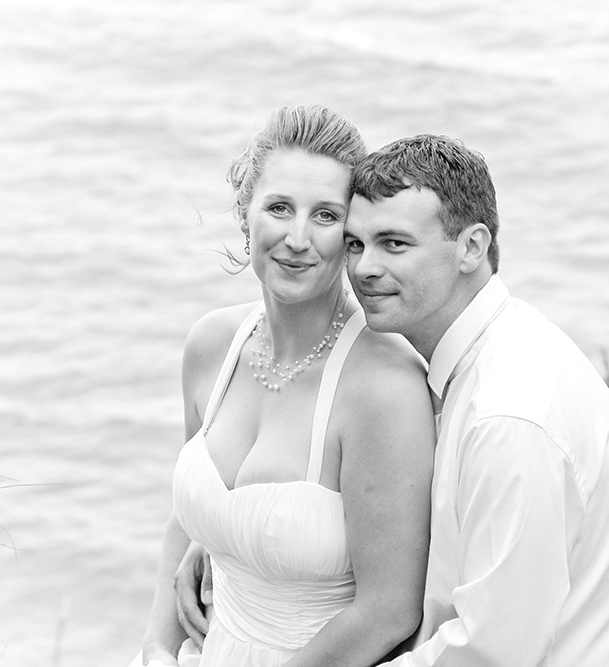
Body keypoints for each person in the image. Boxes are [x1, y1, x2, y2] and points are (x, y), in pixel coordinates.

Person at [179, 134, 609, 665]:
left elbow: (491, 652)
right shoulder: (492, 355)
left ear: (472, 247)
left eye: (394, 244)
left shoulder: (508, 417)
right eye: (356, 244)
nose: (365, 268)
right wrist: (232, 546)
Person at [133, 106, 436, 667]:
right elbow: (186, 515)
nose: (298, 239)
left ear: (351, 235)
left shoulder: (384, 389)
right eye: (279, 208)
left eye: (325, 216)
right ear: (245, 214)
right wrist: (157, 646)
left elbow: (389, 610)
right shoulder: (210, 346)